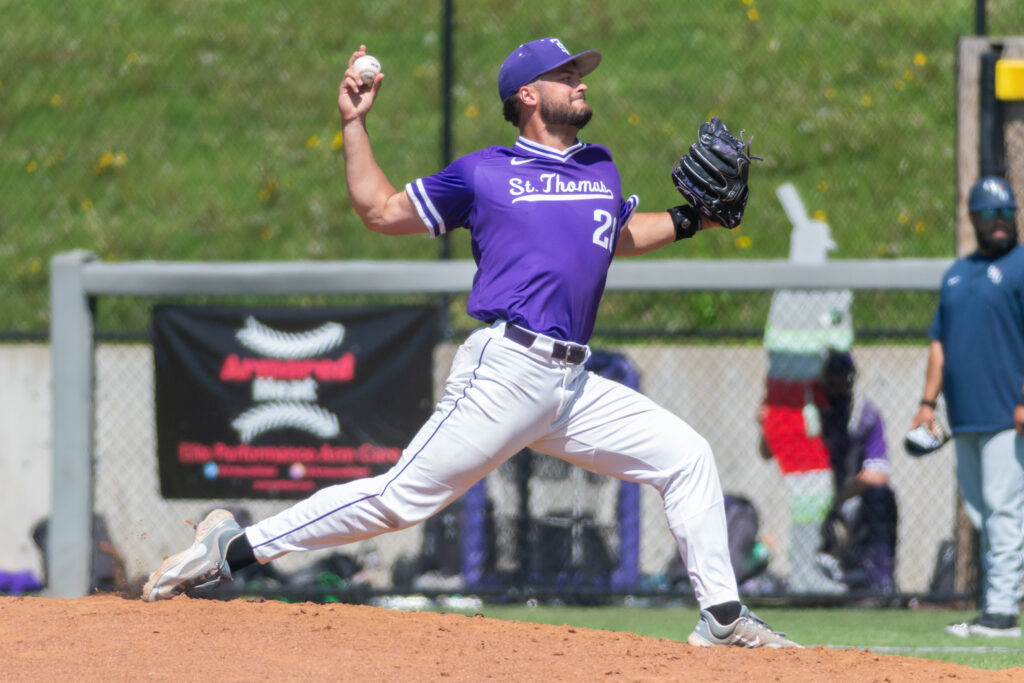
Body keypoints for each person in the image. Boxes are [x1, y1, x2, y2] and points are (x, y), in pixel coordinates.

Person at [142, 37, 798, 648]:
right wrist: (354, 123)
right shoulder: (485, 173)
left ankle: (721, 618)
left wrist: (691, 219)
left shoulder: (599, 166)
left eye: (580, 74)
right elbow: (378, 209)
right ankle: (232, 547)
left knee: (686, 456)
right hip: (506, 369)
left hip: (571, 385)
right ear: (528, 96)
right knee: (402, 498)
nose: (580, 82)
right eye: (566, 74)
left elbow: (613, 236)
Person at [910, 175, 1023, 638]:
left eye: (1005, 213)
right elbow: (940, 343)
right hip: (965, 415)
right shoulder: (956, 274)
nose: (998, 222)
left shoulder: (1021, 266)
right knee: (981, 512)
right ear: (974, 218)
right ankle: (995, 606)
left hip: (1007, 416)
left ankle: (1001, 612)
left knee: (1002, 509)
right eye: (988, 214)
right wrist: (926, 404)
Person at [815, 349, 897, 594]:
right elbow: (769, 451)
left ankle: (876, 584)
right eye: (833, 376)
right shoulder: (810, 411)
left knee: (880, 497)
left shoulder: (864, 414)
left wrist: (838, 498)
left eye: (844, 375)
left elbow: (878, 473)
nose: (838, 383)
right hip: (809, 499)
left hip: (849, 500)